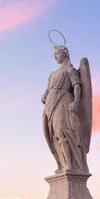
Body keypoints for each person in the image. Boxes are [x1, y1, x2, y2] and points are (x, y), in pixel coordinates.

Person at [42, 44, 91, 174]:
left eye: (57, 54)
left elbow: (77, 86)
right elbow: (47, 91)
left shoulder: (69, 70)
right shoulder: (52, 75)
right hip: (51, 106)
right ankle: (62, 163)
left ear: (65, 54)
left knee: (62, 131)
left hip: (64, 102)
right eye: (54, 55)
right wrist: (44, 96)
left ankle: (70, 164)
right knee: (54, 136)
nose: (55, 57)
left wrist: (75, 102)